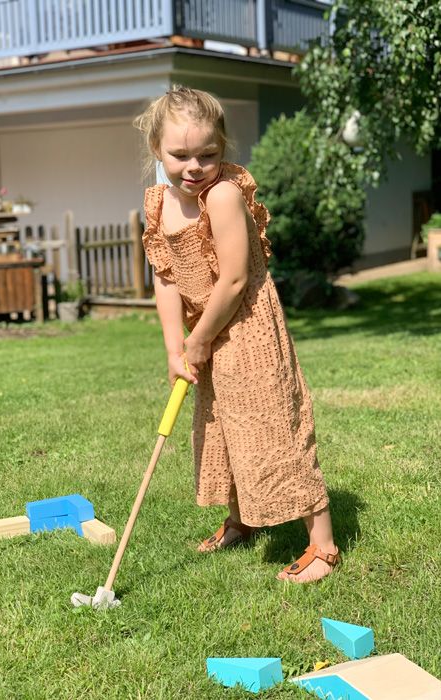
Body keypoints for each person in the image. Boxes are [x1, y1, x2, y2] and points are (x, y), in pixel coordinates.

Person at [134, 86, 339, 583]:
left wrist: (199, 338)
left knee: (271, 426)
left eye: (208, 153)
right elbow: (164, 277)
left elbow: (234, 279)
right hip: (205, 329)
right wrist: (174, 347)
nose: (194, 166)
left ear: (222, 148)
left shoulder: (222, 195)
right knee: (221, 429)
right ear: (156, 151)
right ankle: (241, 520)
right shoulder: (158, 203)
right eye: (179, 155)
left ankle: (323, 544)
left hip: (245, 326)